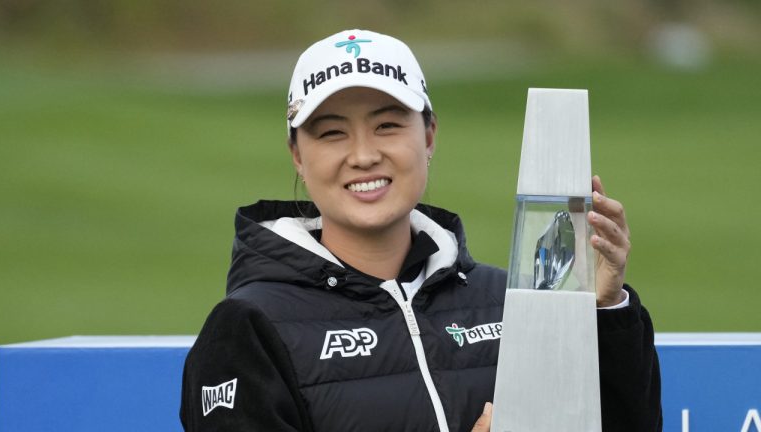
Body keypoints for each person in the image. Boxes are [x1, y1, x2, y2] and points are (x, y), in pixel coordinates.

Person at [180, 29, 662, 431]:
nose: (364, 154)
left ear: (429, 136)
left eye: (388, 125)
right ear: (298, 156)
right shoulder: (248, 328)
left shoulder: (508, 300)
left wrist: (600, 316)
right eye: (331, 133)